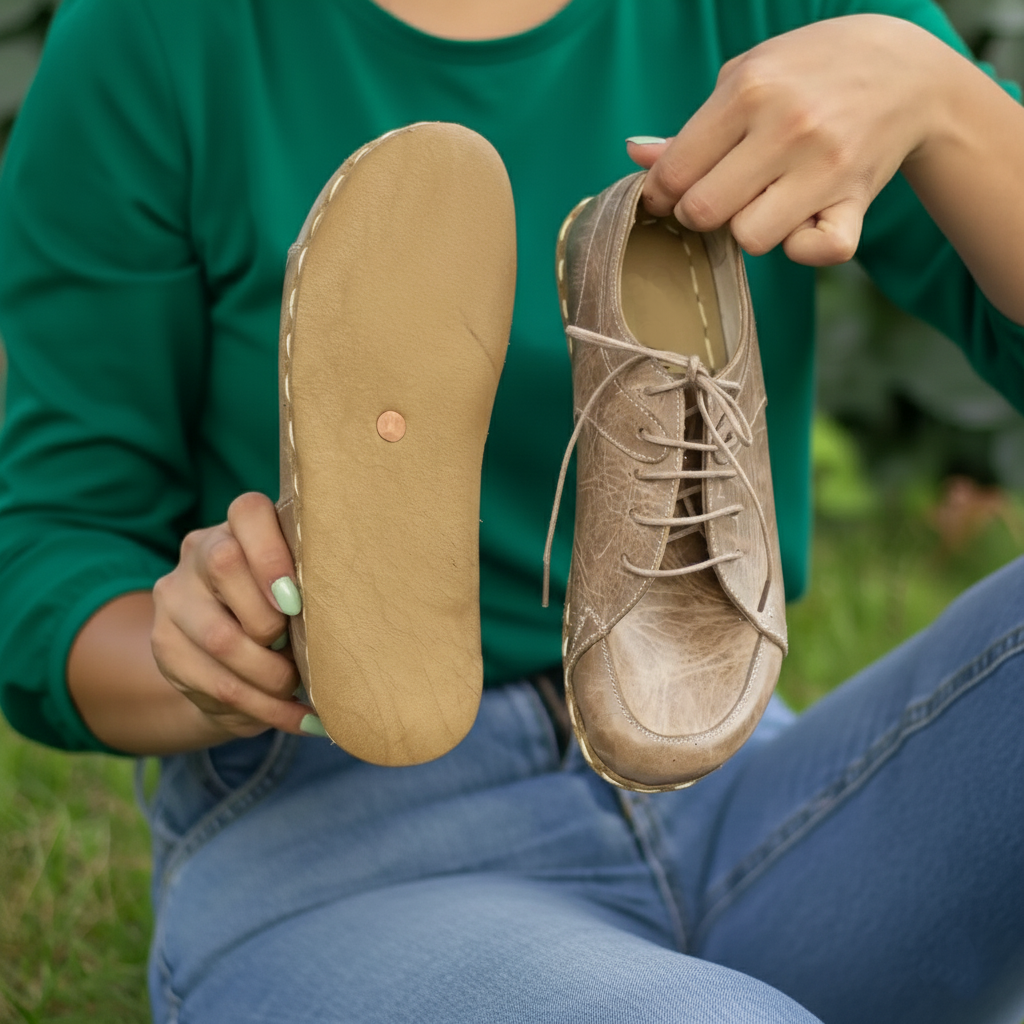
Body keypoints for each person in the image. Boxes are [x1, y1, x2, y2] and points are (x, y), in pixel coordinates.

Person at [0, 0, 1022, 1020]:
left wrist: (938, 98)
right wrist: (202, 655)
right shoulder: (164, 31)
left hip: (734, 780)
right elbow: (52, 551)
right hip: (345, 843)